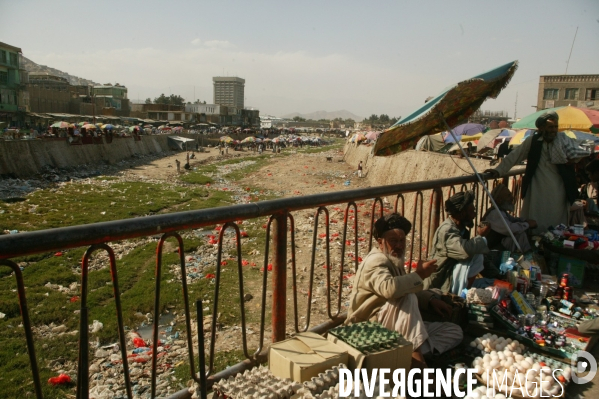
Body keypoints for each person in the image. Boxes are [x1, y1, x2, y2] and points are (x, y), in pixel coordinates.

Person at [346, 213, 462, 366]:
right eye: (393, 241)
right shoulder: (376, 261)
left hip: (397, 325)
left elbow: (405, 287)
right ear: (381, 242)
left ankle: (405, 355)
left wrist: (431, 300)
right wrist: (419, 274)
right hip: (370, 327)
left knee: (453, 331)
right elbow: (390, 289)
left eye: (402, 241)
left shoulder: (394, 259)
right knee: (408, 299)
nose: (399, 245)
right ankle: (419, 364)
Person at [485, 111, 590, 233]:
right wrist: (498, 171)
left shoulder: (563, 140)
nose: (554, 130)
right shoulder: (533, 141)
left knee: (557, 220)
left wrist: (572, 160)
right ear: (541, 128)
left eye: (556, 127)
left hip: (559, 189)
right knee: (536, 217)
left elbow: (578, 153)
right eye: (550, 127)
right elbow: (514, 156)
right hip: (537, 188)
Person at [426, 191, 490, 295]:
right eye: (472, 211)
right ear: (462, 213)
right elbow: (465, 251)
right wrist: (481, 236)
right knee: (477, 255)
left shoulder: (461, 229)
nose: (474, 215)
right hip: (441, 283)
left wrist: (498, 275)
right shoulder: (447, 230)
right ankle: (461, 297)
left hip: (451, 275)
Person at [482, 184, 537, 253]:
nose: (512, 198)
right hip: (492, 250)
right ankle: (528, 256)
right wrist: (527, 224)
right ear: (499, 200)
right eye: (508, 196)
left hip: (499, 245)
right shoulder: (495, 214)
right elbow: (511, 229)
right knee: (520, 234)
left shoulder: (500, 211)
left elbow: (513, 220)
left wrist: (525, 221)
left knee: (521, 230)